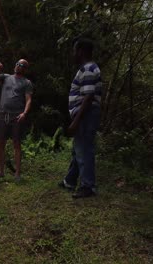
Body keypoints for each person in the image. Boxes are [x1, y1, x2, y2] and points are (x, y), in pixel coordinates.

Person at [59, 38, 102, 199]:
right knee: (78, 149)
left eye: (74, 50)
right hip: (84, 114)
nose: (73, 54)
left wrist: (76, 121)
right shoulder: (86, 68)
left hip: (86, 114)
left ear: (80, 51)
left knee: (84, 149)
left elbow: (88, 97)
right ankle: (69, 181)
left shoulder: (89, 68)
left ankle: (88, 186)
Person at [0, 59, 33, 181]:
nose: (18, 66)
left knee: (16, 144)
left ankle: (17, 173)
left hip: (17, 115)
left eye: (22, 65)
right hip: (2, 114)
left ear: (25, 69)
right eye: (17, 63)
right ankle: (1, 172)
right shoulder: (5, 77)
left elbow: (28, 99)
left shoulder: (27, 82)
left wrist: (24, 113)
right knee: (1, 143)